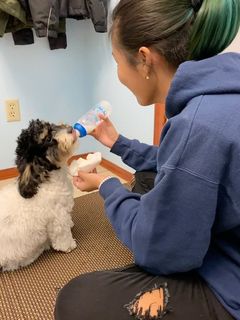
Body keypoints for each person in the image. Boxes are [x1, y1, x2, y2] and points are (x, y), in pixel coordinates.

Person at [55, 0, 240, 319]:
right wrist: (118, 143)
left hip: (230, 284)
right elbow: (182, 165)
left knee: (76, 299)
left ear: (143, 59)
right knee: (145, 179)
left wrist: (108, 186)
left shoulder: (197, 126)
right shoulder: (218, 95)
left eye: (116, 61)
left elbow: (162, 252)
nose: (119, 74)